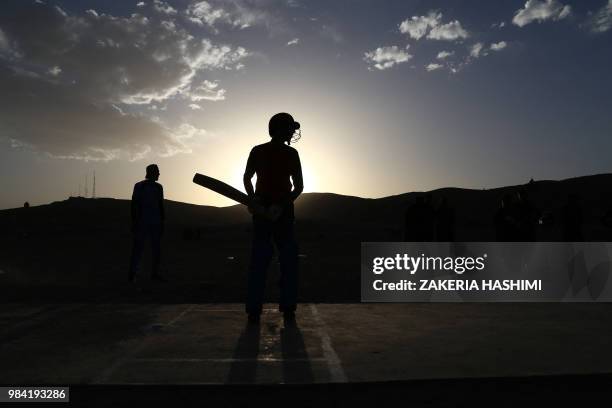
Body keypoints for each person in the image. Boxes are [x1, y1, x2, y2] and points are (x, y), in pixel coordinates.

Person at [243, 112, 304, 324]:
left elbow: (247, 178)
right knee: (273, 258)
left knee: (272, 258)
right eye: (290, 128)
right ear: (281, 128)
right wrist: (257, 202)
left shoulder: (264, 151)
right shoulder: (282, 153)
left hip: (278, 210)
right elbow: (299, 187)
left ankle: (259, 309)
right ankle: (281, 308)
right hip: (273, 210)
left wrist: (255, 200)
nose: (292, 132)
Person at [129, 164, 166, 283]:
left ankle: (154, 273)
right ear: (152, 172)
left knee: (156, 249)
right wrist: (135, 221)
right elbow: (134, 204)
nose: (159, 174)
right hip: (143, 221)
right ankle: (133, 273)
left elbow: (160, 205)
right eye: (157, 172)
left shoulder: (158, 187)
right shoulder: (140, 186)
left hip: (154, 221)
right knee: (139, 248)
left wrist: (162, 221)